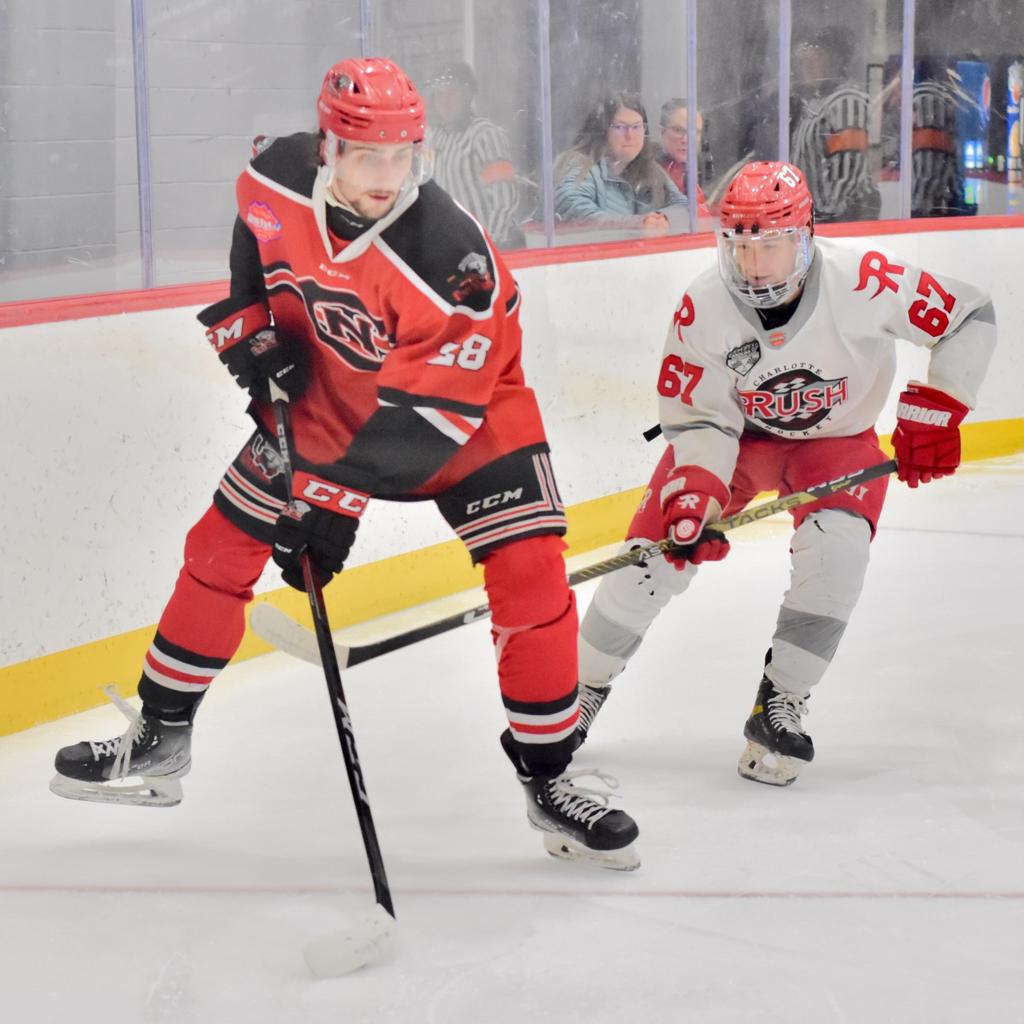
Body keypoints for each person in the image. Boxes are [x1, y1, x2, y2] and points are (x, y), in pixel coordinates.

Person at [49, 58, 639, 870]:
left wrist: (329, 506)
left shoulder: (450, 258)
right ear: (328, 148)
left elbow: (430, 420)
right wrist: (250, 326)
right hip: (334, 393)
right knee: (219, 548)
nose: (386, 177)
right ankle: (160, 733)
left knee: (532, 577)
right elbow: (255, 230)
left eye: (402, 156)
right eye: (367, 156)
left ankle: (549, 779)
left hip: (469, 413)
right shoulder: (277, 174)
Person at [574, 160, 995, 786]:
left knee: (837, 557)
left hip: (837, 442)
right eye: (739, 246)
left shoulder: (866, 281)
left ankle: (781, 703)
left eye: (769, 245)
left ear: (804, 235)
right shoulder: (702, 307)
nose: (753, 264)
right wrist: (696, 496)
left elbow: (968, 313)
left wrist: (939, 406)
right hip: (737, 442)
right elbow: (700, 420)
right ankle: (577, 693)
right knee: (651, 561)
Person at [554, 91, 687, 234]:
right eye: (620, 127)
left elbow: (685, 208)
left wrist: (662, 219)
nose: (630, 135)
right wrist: (637, 224)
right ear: (602, 130)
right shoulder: (577, 163)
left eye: (636, 126)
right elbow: (574, 212)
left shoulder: (650, 168)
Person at [426, 60, 526, 249]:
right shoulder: (436, 139)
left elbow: (504, 201)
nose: (445, 101)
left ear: (468, 94)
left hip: (499, 248)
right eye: (439, 94)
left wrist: (486, 247)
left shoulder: (485, 136)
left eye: (452, 93)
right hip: (463, 250)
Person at [788, 27, 882, 223]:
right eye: (803, 60)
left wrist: (825, 220)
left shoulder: (845, 101)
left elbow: (847, 177)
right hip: (816, 218)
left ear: (837, 61)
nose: (806, 65)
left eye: (818, 57)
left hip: (840, 221)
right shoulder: (815, 102)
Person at [656, 98, 712, 221]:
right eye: (678, 130)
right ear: (661, 132)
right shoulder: (648, 171)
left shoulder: (701, 169)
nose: (686, 140)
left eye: (694, 132)